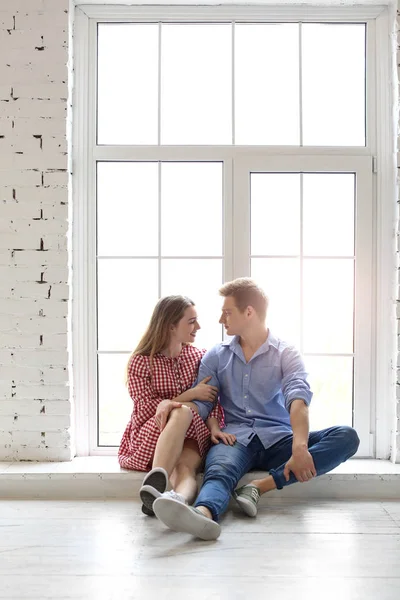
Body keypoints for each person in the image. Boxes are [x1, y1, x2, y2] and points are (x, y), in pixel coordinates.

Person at [152, 278, 360, 540]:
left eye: (227, 313)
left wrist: (299, 447)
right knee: (218, 474)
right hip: (234, 438)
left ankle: (260, 486)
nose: (220, 320)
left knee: (346, 436)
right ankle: (203, 515)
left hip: (279, 440)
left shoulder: (286, 353)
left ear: (248, 312)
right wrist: (180, 406)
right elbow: (204, 405)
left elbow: (298, 401)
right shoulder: (216, 356)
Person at [118, 295, 236, 516]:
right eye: (191, 321)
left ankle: (177, 500)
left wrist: (215, 428)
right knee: (181, 413)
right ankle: (156, 483)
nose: (198, 327)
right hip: (152, 431)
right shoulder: (141, 362)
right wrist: (188, 395)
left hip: (193, 432)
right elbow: (146, 409)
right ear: (171, 326)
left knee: (185, 469)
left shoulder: (200, 357)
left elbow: (211, 401)